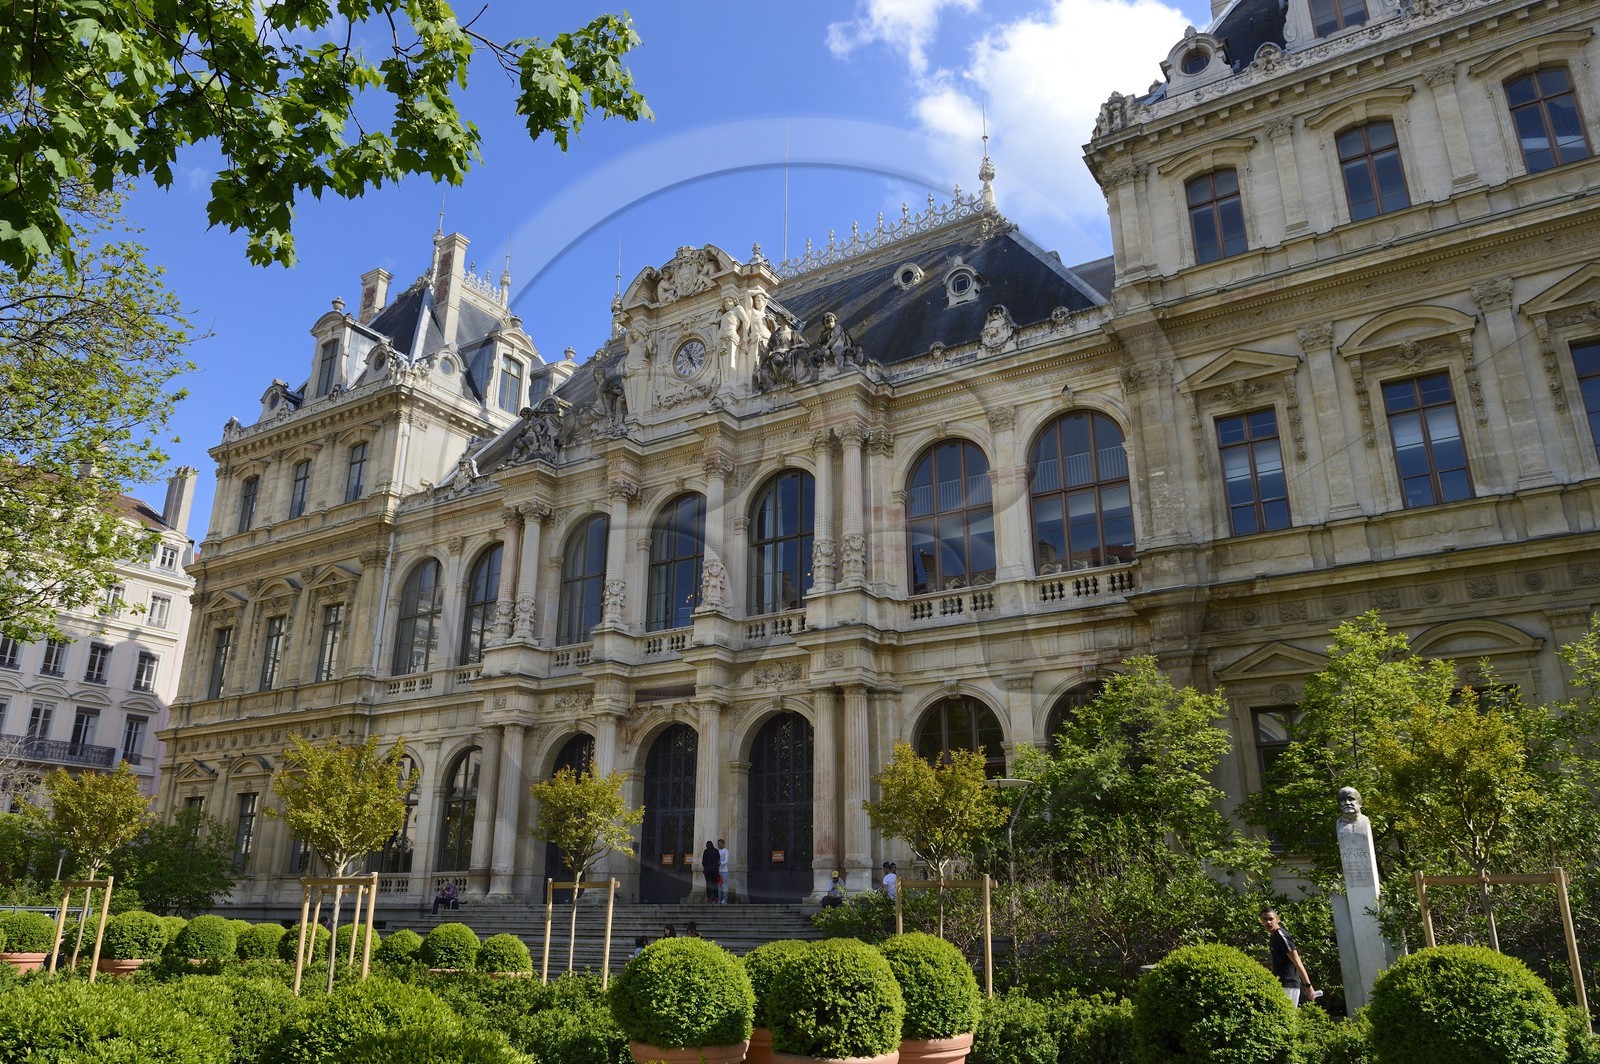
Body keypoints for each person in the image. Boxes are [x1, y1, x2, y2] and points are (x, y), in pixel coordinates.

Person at [1261, 908, 1315, 1005]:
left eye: (1271, 919)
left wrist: (1308, 986)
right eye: (1265, 919)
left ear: (1277, 919)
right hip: (1279, 983)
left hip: (1288, 985)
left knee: (1287, 1014)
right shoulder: (1274, 936)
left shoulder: (1281, 935)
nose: (1268, 922)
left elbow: (1296, 960)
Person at [717, 838, 730, 904]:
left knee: (724, 885)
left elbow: (726, 861)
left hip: (724, 871)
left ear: (722, 844)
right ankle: (719, 899)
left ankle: (725, 899)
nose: (718, 845)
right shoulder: (719, 851)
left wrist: (720, 863)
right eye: (718, 844)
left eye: (719, 844)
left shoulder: (726, 851)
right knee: (719, 885)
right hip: (719, 871)